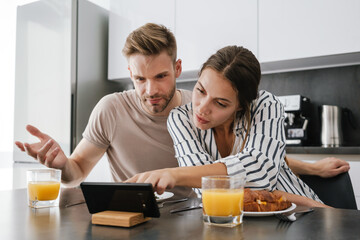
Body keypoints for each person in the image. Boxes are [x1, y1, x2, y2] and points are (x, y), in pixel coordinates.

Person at [15, 23, 348, 198]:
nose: (151, 90)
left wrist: (312, 170)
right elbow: (77, 172)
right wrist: (62, 165)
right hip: (145, 215)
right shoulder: (115, 110)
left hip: (198, 212)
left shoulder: (198, 106)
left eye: (161, 76)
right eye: (140, 79)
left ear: (177, 68)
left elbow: (255, 158)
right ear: (129, 74)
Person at [126, 45, 329, 207]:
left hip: (303, 213)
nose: (202, 109)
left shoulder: (266, 105)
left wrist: (175, 174)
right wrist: (272, 194)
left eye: (220, 103)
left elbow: (259, 172)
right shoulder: (180, 118)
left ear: (241, 105)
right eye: (200, 90)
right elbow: (206, 191)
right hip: (232, 222)